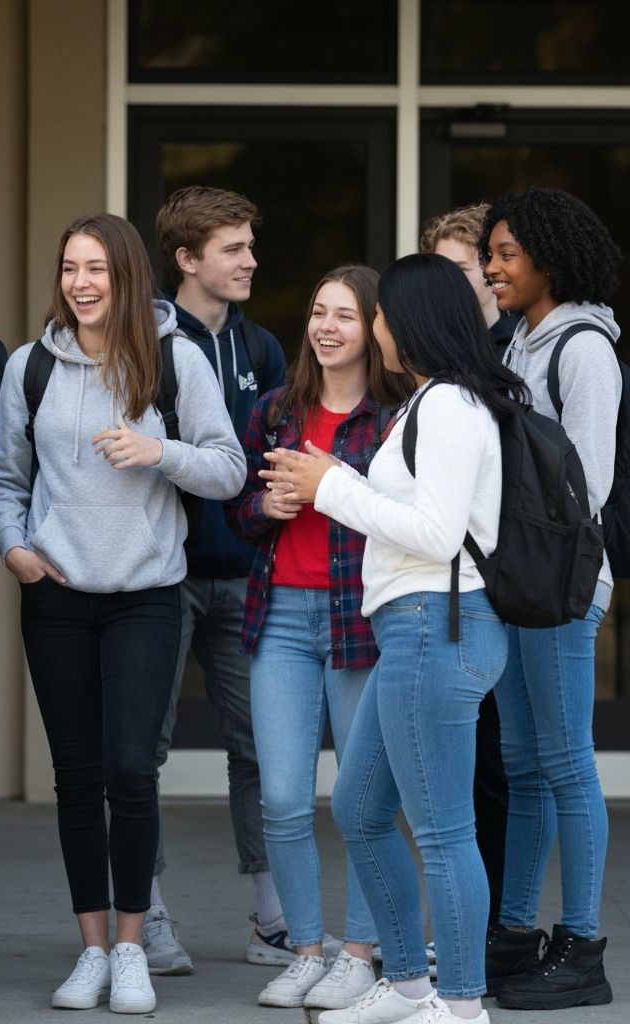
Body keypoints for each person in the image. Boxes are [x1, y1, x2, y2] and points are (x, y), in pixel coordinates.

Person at [0, 213, 245, 1014]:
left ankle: (134, 945)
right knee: (76, 778)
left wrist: (156, 451)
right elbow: (6, 478)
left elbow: (229, 469)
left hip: (146, 596)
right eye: (69, 267)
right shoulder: (32, 366)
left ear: (127, 274)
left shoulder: (177, 361)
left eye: (96, 268)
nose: (80, 283)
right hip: (56, 596)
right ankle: (92, 949)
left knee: (132, 771)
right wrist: (13, 548)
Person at [279, 253, 526, 1024]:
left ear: (409, 322)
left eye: (380, 313)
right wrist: (337, 477)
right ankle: (412, 988)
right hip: (414, 631)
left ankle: (458, 1005)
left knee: (444, 831)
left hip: (436, 627)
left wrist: (334, 486)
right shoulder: (429, 403)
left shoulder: (450, 406)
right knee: (357, 808)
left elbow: (436, 531)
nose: (374, 326)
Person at [228, 265, 411, 1011]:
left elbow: (407, 522)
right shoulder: (277, 410)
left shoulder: (394, 418)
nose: (326, 327)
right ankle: (308, 948)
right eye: (317, 312)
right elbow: (238, 516)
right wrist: (264, 508)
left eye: (344, 315)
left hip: (359, 622)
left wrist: (336, 484)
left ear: (373, 328)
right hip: (281, 619)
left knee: (363, 797)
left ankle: (361, 954)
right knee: (281, 798)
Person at [478, 187, 619, 1011]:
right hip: (514, 583)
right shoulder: (517, 346)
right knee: (525, 767)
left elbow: (587, 485)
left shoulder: (583, 350)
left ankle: (583, 947)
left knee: (564, 764)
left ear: (549, 262)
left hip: (559, 587)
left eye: (505, 255)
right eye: (490, 254)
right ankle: (513, 936)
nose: (492, 269)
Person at [145, 185, 287, 973]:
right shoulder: (143, 340)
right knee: (144, 753)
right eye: (233, 248)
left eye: (249, 246)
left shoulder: (262, 348)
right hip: (159, 579)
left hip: (243, 578)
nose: (250, 261)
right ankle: (150, 916)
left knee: (260, 748)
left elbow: (271, 451)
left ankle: (272, 918)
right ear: (187, 258)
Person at [418, 203, 514, 936]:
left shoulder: (523, 356)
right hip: (444, 595)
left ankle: (484, 941)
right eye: (448, 268)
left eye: (470, 266)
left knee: (500, 771)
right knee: (458, 772)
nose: (465, 280)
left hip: (504, 593)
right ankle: (459, 935)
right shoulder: (434, 368)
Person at [421, 203, 519, 354]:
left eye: (460, 269)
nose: (446, 278)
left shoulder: (519, 346)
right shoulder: (426, 344)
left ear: (491, 269)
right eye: (440, 268)